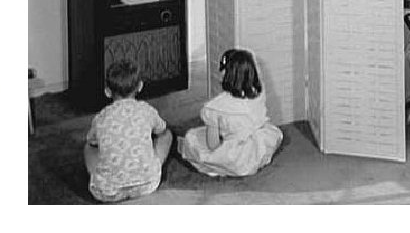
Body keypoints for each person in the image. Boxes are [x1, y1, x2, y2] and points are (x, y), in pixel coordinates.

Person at [178, 49, 283, 177]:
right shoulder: (258, 92)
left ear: (226, 73)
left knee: (192, 137)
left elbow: (213, 145)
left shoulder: (214, 107)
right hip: (258, 147)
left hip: (234, 157)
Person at [84, 59, 173, 203]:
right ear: (140, 86)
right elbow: (161, 130)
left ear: (107, 92)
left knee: (88, 147)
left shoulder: (101, 117)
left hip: (107, 191)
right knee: (167, 135)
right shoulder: (146, 110)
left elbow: (92, 141)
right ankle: (151, 167)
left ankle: (100, 176)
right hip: (147, 185)